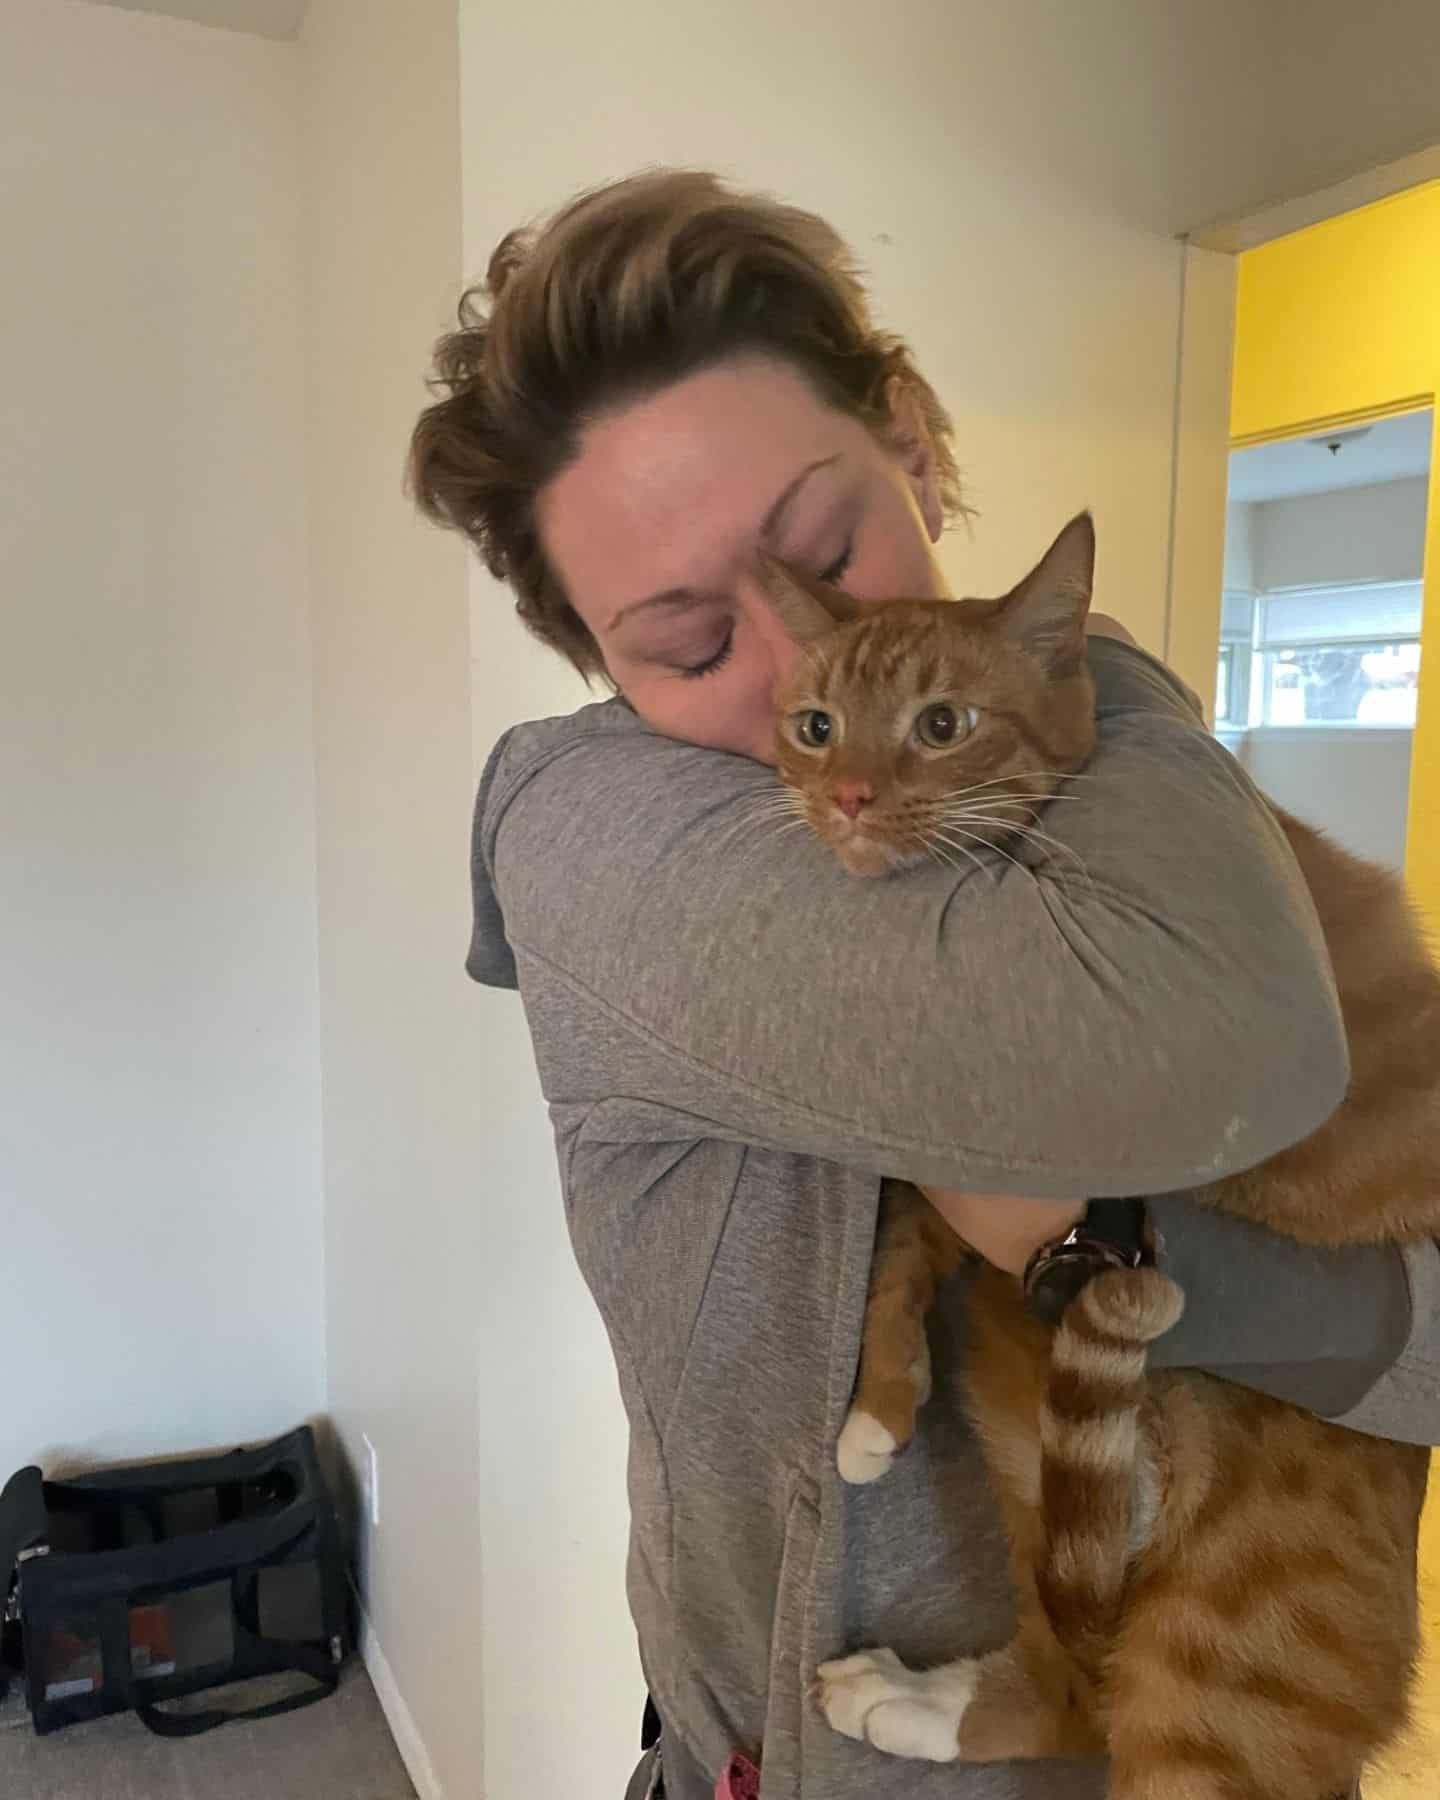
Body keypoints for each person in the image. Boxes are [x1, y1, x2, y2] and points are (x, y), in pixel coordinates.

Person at [409, 170, 1436, 1800]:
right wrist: (1080, 682)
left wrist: (1157, 1281)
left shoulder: (1046, 764)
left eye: (825, 550)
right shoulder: (600, 829)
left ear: (920, 444)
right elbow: (1220, 1041)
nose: (806, 678)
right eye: (685, 646)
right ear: (601, 673)